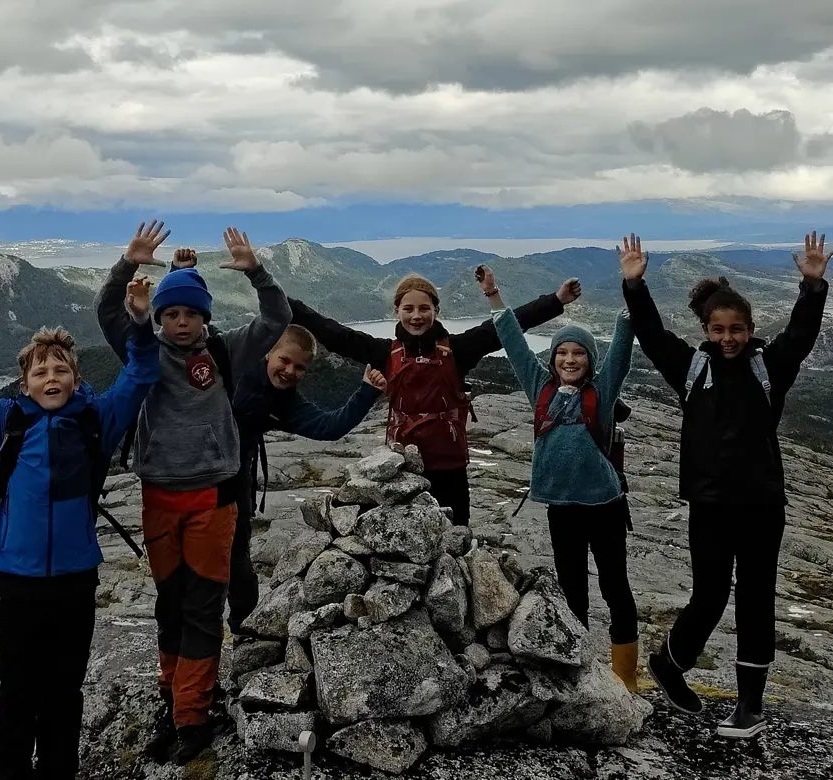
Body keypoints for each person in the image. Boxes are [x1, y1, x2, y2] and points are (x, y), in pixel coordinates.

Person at [0, 262, 159, 779]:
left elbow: (141, 373)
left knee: (64, 693)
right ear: (25, 382)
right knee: (17, 693)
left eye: (60, 370)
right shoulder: (1, 423)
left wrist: (141, 321)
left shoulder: (97, 419)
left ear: (75, 377)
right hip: (14, 581)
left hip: (75, 580)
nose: (51, 378)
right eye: (40, 372)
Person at [94, 221, 292, 764]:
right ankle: (173, 702)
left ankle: (194, 717)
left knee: (203, 606)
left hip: (214, 497)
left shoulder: (226, 352)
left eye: (191, 313)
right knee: (170, 606)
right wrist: (128, 264)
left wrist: (256, 271)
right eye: (172, 314)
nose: (181, 323)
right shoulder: (143, 351)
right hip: (159, 494)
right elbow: (107, 313)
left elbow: (279, 319)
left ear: (205, 316)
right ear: (159, 318)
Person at [620, 231, 830, 738]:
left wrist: (813, 286)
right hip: (710, 506)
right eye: (719, 330)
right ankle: (670, 665)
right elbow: (650, 333)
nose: (728, 338)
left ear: (751, 329)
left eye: (737, 330)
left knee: (756, 598)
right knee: (708, 598)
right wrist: (634, 285)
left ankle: (750, 706)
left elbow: (800, 337)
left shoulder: (768, 366)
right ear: (706, 329)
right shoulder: (691, 367)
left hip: (761, 505)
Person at [163, 250, 388, 636]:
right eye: (285, 360)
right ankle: (187, 636)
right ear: (269, 351)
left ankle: (245, 632)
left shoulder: (285, 402)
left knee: (236, 563)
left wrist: (366, 391)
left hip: (234, 486)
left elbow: (329, 426)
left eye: (300, 368)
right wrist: (180, 274)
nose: (290, 371)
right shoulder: (232, 357)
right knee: (185, 566)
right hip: (188, 475)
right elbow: (191, 337)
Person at [288, 273, 581, 525]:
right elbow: (331, 331)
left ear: (436, 311)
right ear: (397, 311)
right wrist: (276, 296)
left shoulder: (458, 349)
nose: (417, 315)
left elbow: (506, 328)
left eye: (424, 308)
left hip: (449, 468)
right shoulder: (382, 352)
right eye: (409, 308)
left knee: (455, 538)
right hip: (400, 468)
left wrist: (556, 300)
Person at [478, 264, 640, 691]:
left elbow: (622, 349)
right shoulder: (541, 387)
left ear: (590, 360)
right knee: (571, 589)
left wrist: (632, 291)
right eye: (562, 353)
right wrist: (494, 296)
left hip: (604, 505)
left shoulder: (602, 393)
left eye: (579, 353)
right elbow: (512, 341)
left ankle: (626, 676)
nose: (570, 359)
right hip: (561, 507)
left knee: (615, 586)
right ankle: (581, 666)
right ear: (552, 360)